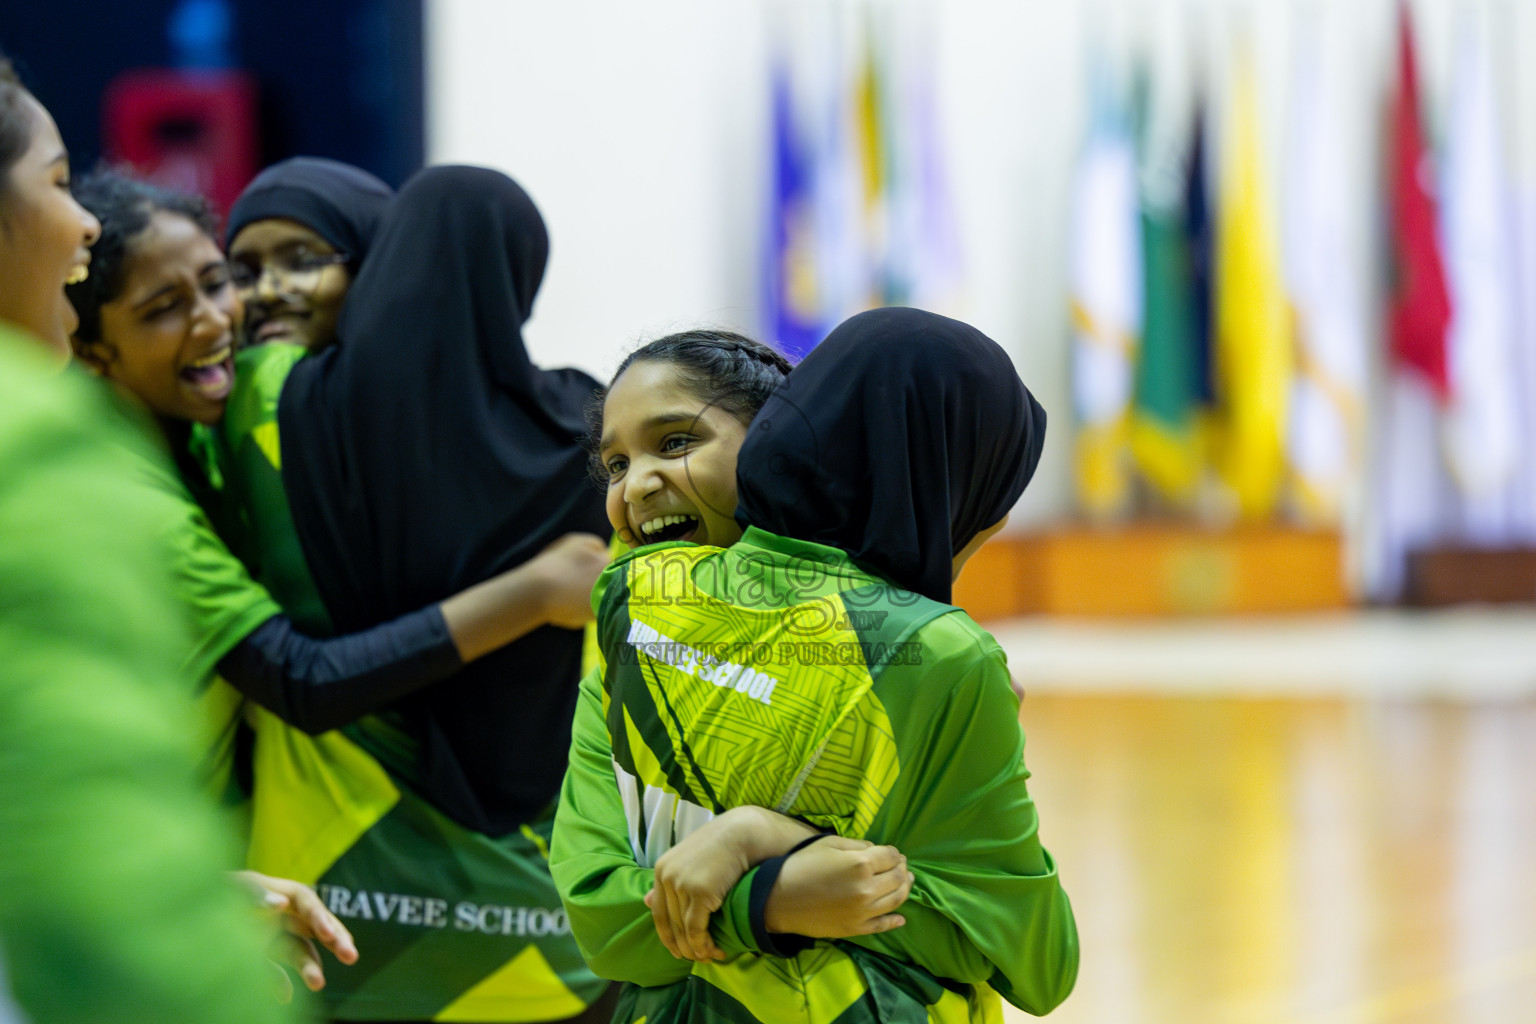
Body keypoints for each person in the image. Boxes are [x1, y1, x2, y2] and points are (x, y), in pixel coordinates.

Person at [66, 166, 615, 1023]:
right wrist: (534, 592)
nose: (241, 305)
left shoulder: (260, 418)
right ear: (93, 349)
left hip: (318, 907)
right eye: (240, 269)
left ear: (383, 263)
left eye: (219, 283)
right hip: (286, 901)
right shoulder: (582, 426)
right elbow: (305, 678)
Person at [552, 308, 1078, 1022]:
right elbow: (1037, 961)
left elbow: (616, 923)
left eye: (674, 443)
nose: (637, 486)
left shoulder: (628, 604)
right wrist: (774, 891)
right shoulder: (942, 657)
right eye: (615, 464)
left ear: (777, 433)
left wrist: (761, 857)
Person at [0, 52, 335, 1023]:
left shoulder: (204, 457)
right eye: (57, 185)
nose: (83, 222)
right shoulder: (43, 451)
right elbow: (95, 855)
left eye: (216, 282)